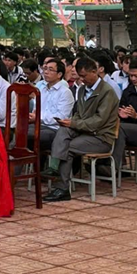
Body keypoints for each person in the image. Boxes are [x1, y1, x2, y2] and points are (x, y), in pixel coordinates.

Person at [43, 57, 119, 202]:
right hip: (85, 131)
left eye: (84, 76)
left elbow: (99, 121)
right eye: (80, 76)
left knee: (68, 147)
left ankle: (62, 188)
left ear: (94, 72)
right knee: (63, 130)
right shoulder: (83, 89)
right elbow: (79, 113)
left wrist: (74, 124)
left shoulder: (107, 92)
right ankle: (53, 167)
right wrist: (70, 122)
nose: (82, 80)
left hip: (101, 137)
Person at [31, 59, 74, 151]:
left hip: (55, 129)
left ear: (59, 74)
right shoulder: (41, 90)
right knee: (19, 131)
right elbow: (35, 110)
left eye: (51, 69)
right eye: (45, 69)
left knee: (28, 134)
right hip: (39, 125)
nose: (46, 72)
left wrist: (38, 117)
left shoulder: (65, 92)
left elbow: (60, 118)